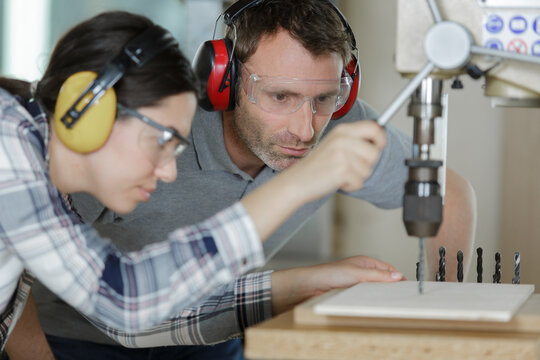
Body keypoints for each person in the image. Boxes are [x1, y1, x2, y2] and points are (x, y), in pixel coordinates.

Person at [23, 0, 474, 359]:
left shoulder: (337, 126)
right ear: (226, 80)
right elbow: (118, 305)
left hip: (211, 333)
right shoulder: (140, 135)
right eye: (280, 95)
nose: (305, 129)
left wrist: (445, 316)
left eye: (325, 98)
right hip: (73, 341)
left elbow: (447, 189)